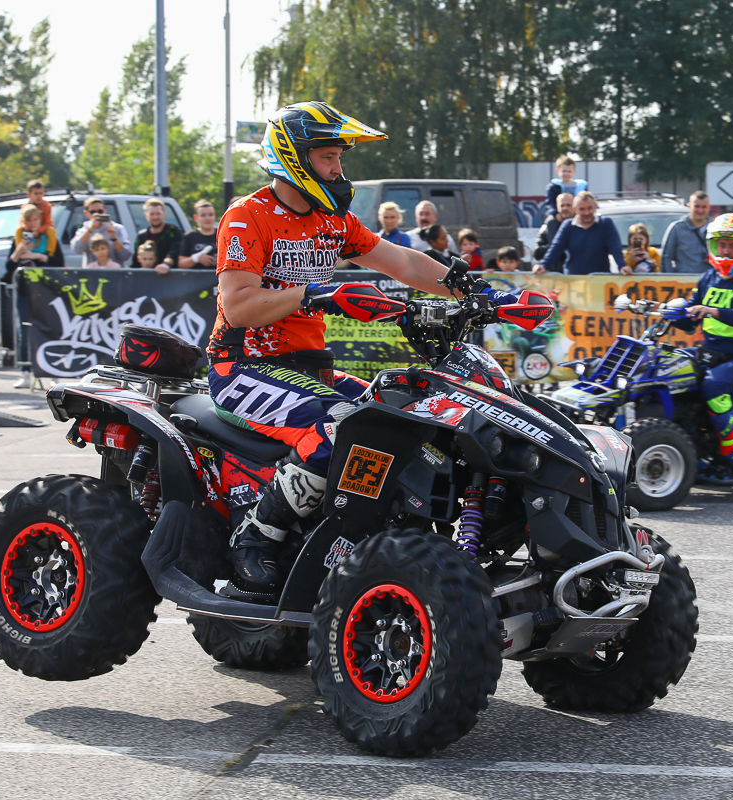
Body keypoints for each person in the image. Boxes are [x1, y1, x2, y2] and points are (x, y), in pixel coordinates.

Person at [207, 101, 515, 594]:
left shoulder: (334, 221)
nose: (337, 169)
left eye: (338, 159)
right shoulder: (248, 217)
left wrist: (480, 292)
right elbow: (239, 305)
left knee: (406, 416)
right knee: (340, 428)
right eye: (328, 158)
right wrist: (313, 293)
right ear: (294, 158)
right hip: (243, 365)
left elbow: (406, 265)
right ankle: (256, 539)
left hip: (312, 367)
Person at [668, 213, 733, 475]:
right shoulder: (707, 278)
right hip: (711, 352)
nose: (726, 251)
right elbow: (690, 320)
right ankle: (684, 442)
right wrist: (668, 312)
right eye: (721, 245)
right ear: (713, 246)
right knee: (666, 367)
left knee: (714, 384)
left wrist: (711, 310)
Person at [7, 204, 65, 389]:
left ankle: (53, 371)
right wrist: (19, 251)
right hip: (24, 290)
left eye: (35, 219)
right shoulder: (18, 238)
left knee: (50, 328)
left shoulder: (50, 237)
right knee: (24, 330)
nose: (32, 224)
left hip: (46, 290)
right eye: (28, 220)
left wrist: (39, 256)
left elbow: (58, 261)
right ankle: (25, 371)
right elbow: (9, 267)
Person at [538, 191, 627, 275]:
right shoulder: (568, 226)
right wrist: (544, 265)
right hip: (574, 280)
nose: (586, 212)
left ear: (595, 206)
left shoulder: (605, 224)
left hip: (599, 280)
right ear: (575, 209)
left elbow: (615, 248)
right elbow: (556, 248)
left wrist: (622, 266)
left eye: (589, 208)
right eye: (582, 209)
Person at [71, 197, 132, 267]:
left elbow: (125, 256)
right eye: (93, 212)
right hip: (92, 274)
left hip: (115, 273)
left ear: (104, 212)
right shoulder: (83, 230)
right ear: (86, 213)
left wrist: (113, 238)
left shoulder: (117, 228)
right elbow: (77, 249)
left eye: (100, 211)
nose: (97, 214)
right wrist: (90, 230)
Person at [661, 190, 712, 273]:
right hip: (684, 282)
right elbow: (666, 257)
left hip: (710, 282)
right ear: (690, 206)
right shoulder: (677, 228)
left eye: (704, 207)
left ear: (709, 207)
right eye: (697, 206)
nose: (700, 210)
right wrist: (670, 280)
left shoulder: (716, 229)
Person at [130, 198, 181, 273]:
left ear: (164, 214)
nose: (155, 217)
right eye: (152, 214)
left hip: (169, 276)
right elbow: (136, 262)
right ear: (146, 215)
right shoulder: (141, 236)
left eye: (158, 214)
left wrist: (166, 264)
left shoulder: (173, 232)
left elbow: (174, 252)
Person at [534, 192, 575, 263]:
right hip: (555, 271)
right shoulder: (549, 225)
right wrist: (556, 247)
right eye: (562, 205)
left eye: (568, 205)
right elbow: (537, 253)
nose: (565, 208)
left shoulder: (583, 223)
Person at [179, 199, 218, 269]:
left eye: (210, 215)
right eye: (203, 215)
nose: (207, 218)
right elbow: (181, 263)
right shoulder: (189, 237)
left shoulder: (222, 235)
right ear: (196, 218)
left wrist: (222, 259)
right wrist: (196, 258)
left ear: (214, 216)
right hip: (195, 278)